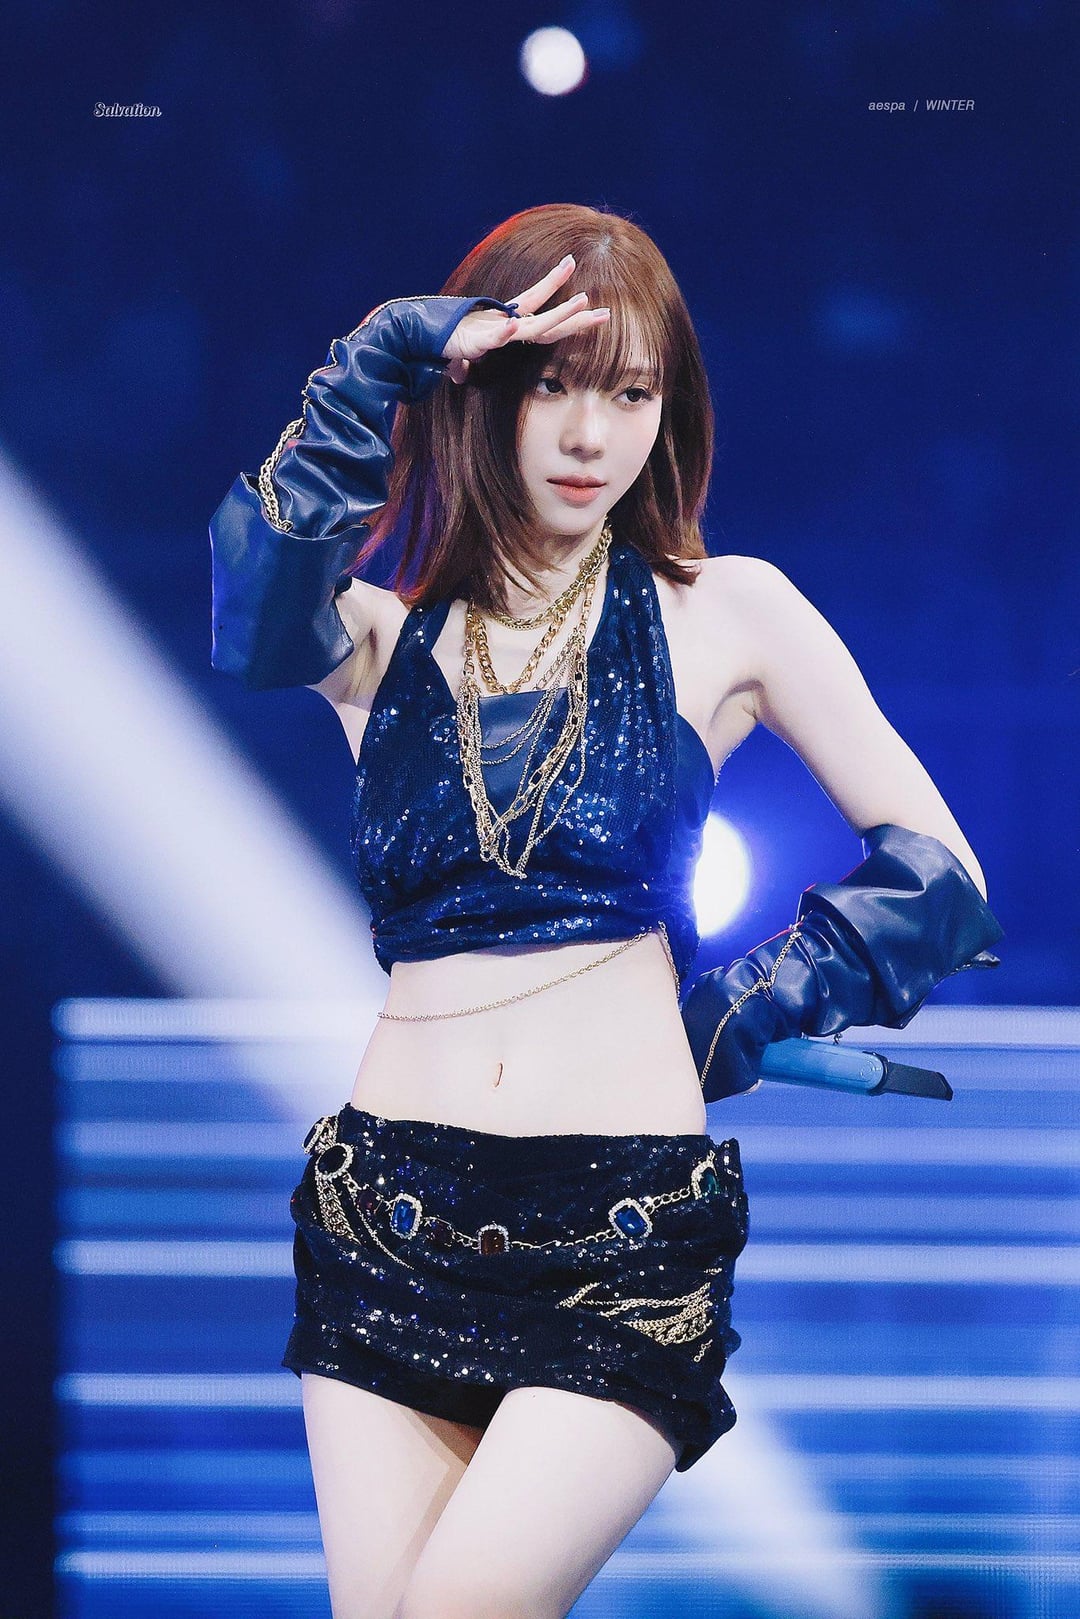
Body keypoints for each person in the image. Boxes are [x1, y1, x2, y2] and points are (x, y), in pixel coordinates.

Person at [209, 203, 1003, 1619]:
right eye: (553, 386)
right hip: (386, 1211)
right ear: (483, 393)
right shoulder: (380, 633)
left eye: (632, 394)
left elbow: (940, 872)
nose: (591, 435)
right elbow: (254, 610)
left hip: (620, 1227)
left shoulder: (729, 610)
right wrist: (385, 355)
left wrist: (743, 1009)